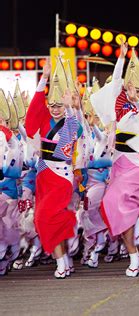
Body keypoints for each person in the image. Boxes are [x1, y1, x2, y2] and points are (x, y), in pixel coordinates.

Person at [91, 40, 139, 277]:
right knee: (112, 206)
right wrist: (120, 57)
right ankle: (133, 255)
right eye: (132, 90)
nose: (135, 93)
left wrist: (137, 99)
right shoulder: (119, 112)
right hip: (120, 164)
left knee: (115, 200)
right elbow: (115, 82)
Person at [24, 58, 79, 278]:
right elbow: (32, 116)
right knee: (45, 219)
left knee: (44, 219)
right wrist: (44, 78)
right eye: (52, 105)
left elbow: (72, 135)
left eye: (59, 105)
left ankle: (60, 263)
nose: (55, 109)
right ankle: (64, 261)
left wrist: (70, 107)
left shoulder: (70, 121)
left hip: (61, 177)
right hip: (44, 173)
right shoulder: (45, 118)